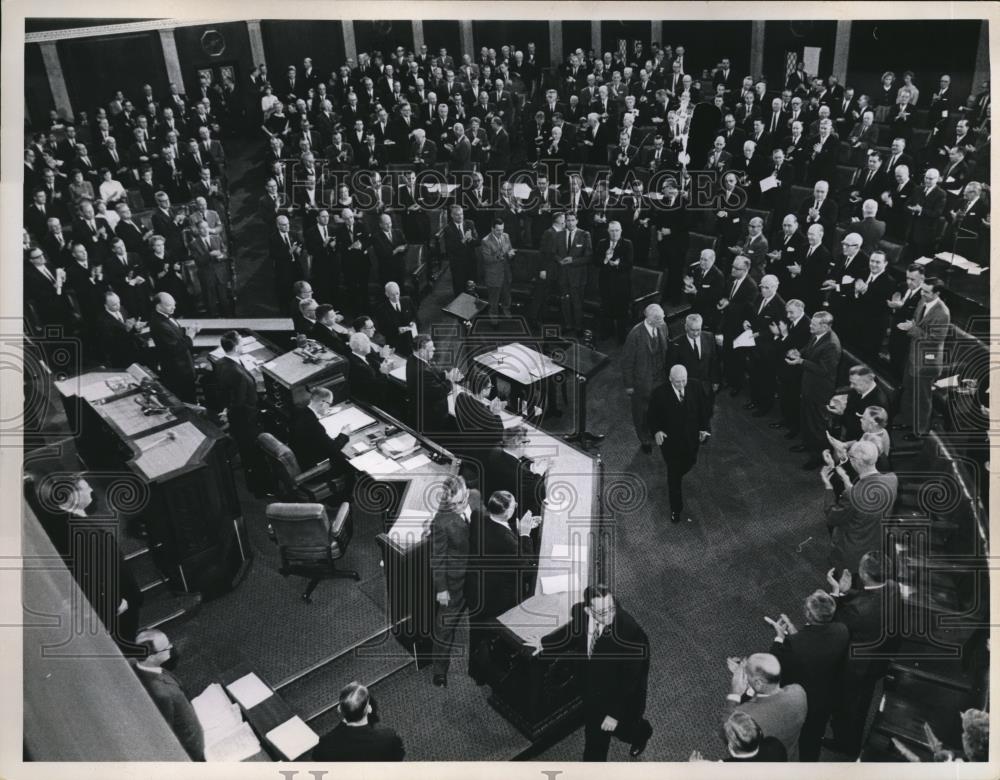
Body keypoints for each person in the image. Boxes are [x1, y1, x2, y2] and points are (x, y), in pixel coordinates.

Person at [533, 584, 653, 761]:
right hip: (591, 685)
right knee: (608, 735)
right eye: (603, 612)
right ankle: (639, 731)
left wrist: (613, 714)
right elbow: (571, 632)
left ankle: (640, 733)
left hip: (617, 697)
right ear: (589, 611)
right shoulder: (582, 614)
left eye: (612, 608)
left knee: (609, 736)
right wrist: (543, 643)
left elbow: (629, 681)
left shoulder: (631, 634)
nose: (611, 615)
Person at [827, 550, 902, 757]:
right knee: (862, 701)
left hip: (856, 665)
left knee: (847, 705)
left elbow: (834, 627)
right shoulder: (894, 588)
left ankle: (845, 744)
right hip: (879, 657)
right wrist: (848, 592)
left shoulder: (858, 610)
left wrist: (837, 593)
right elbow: (868, 598)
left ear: (864, 574)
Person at [764, 590, 849, 761]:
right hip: (827, 696)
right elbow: (814, 644)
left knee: (798, 737)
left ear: (808, 614)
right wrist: (794, 633)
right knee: (814, 737)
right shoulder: (842, 630)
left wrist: (780, 638)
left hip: (801, 699)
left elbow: (775, 662)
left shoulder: (796, 645)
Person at [467, 490, 539, 682]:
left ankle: (476, 672)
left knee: (477, 632)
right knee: (500, 635)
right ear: (507, 512)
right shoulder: (507, 541)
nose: (516, 505)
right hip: (498, 596)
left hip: (477, 588)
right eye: (514, 504)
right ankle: (498, 672)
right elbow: (526, 568)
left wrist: (517, 530)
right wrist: (525, 534)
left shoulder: (479, 517)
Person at [430, 474, 479, 687]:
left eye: (462, 501)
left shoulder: (476, 498)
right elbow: (437, 558)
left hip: (477, 573)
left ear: (467, 493)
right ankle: (439, 670)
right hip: (455, 580)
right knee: (444, 625)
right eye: (453, 504)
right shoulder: (441, 522)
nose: (459, 507)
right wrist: (441, 588)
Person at [821, 440, 898, 572]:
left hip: (853, 550)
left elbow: (832, 518)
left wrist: (828, 486)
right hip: (877, 539)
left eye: (851, 458)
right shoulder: (892, 479)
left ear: (857, 462)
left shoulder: (853, 495)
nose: (850, 460)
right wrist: (847, 482)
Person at [648, 365, 711, 523]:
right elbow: (651, 416)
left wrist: (705, 429)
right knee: (674, 476)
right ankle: (676, 509)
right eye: (677, 382)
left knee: (690, 462)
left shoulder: (695, 386)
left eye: (684, 380)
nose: (681, 385)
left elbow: (704, 409)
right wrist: (656, 431)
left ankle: (680, 472)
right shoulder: (659, 394)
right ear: (670, 379)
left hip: (691, 439)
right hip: (671, 443)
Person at [133, 629, 205, 761]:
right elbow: (167, 731)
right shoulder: (161, 693)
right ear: (151, 656)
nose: (171, 647)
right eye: (166, 647)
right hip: (190, 748)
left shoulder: (142, 667)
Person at [724, 652, 807, 760]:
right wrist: (750, 680)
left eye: (746, 673)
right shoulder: (798, 692)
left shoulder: (748, 716)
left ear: (758, 683)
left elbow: (726, 726)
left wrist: (735, 692)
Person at [786, 311, 841, 469]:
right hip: (809, 384)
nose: (810, 326)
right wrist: (799, 353)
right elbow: (810, 347)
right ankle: (807, 444)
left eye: (813, 325)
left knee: (817, 425)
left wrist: (800, 361)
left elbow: (824, 370)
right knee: (807, 419)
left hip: (819, 389)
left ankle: (818, 457)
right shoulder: (818, 334)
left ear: (824, 326)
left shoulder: (831, 344)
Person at [897, 277, 950, 438]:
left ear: (937, 293)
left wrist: (912, 329)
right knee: (909, 391)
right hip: (913, 355)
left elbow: (935, 339)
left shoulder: (942, 313)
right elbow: (916, 319)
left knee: (922, 399)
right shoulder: (922, 300)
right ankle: (907, 420)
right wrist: (911, 324)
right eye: (922, 290)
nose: (922, 293)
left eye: (926, 292)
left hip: (927, 362)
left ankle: (919, 431)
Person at [215, 331, 263, 490]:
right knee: (252, 454)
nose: (243, 345)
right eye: (241, 343)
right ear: (235, 347)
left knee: (246, 452)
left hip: (236, 418)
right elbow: (241, 402)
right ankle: (259, 488)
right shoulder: (237, 373)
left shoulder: (222, 363)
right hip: (246, 420)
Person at [312, 681, 405, 761]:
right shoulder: (389, 738)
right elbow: (397, 757)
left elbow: (317, 757)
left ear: (339, 709)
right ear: (369, 709)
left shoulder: (325, 744)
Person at [622, 304, 670, 454]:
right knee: (641, 413)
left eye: (663, 318)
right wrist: (629, 385)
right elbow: (627, 362)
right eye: (659, 319)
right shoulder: (635, 335)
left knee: (659, 409)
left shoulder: (663, 326)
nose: (662, 322)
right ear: (649, 320)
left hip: (660, 378)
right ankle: (644, 439)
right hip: (641, 382)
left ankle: (657, 433)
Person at [406, 334, 461, 435]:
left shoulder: (412, 359)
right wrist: (450, 380)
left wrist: (444, 375)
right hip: (430, 418)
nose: (434, 349)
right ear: (422, 351)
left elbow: (430, 378)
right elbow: (439, 392)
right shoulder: (422, 371)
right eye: (431, 348)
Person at [148, 292, 198, 402]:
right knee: (187, 399)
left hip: (183, 366)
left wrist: (188, 331)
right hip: (178, 371)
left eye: (174, 304)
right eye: (169, 305)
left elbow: (176, 334)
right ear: (158, 306)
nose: (174, 308)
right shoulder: (159, 324)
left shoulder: (165, 315)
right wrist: (190, 336)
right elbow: (176, 349)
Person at [288, 386, 350, 474]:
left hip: (301, 456)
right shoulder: (314, 425)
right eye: (329, 404)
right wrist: (344, 434)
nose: (329, 407)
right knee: (347, 464)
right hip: (312, 469)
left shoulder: (298, 412)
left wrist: (319, 414)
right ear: (323, 403)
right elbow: (333, 449)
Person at [688, 711, 787, 762]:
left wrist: (695, 769)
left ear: (731, 746)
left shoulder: (721, 770)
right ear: (759, 733)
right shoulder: (775, 744)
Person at [94, 290, 147, 369]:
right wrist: (133, 330)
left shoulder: (122, 309)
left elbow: (127, 324)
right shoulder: (103, 321)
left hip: (133, 348)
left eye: (119, 302)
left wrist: (136, 325)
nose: (118, 306)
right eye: (114, 305)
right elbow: (114, 342)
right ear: (106, 306)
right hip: (121, 355)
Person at [454, 368, 504, 450]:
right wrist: (496, 414)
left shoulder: (461, 397)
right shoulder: (488, 417)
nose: (491, 388)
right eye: (490, 386)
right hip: (479, 449)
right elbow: (499, 436)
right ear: (484, 391)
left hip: (463, 442)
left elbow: (474, 409)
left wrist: (488, 408)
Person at [480, 217, 515, 325]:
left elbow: (510, 249)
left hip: (506, 273)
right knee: (494, 300)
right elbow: (487, 259)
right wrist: (502, 255)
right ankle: (493, 318)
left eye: (502, 229)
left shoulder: (506, 236)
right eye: (498, 230)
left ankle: (506, 311)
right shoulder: (485, 241)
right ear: (492, 229)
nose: (501, 232)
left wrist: (510, 253)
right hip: (494, 275)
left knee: (506, 296)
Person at [374, 282, 419, 356]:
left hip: (412, 340)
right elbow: (382, 329)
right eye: (392, 295)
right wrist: (397, 330)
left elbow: (416, 317)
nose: (396, 297)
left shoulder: (407, 300)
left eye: (397, 293)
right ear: (387, 294)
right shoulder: (381, 309)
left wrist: (413, 323)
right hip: (395, 344)